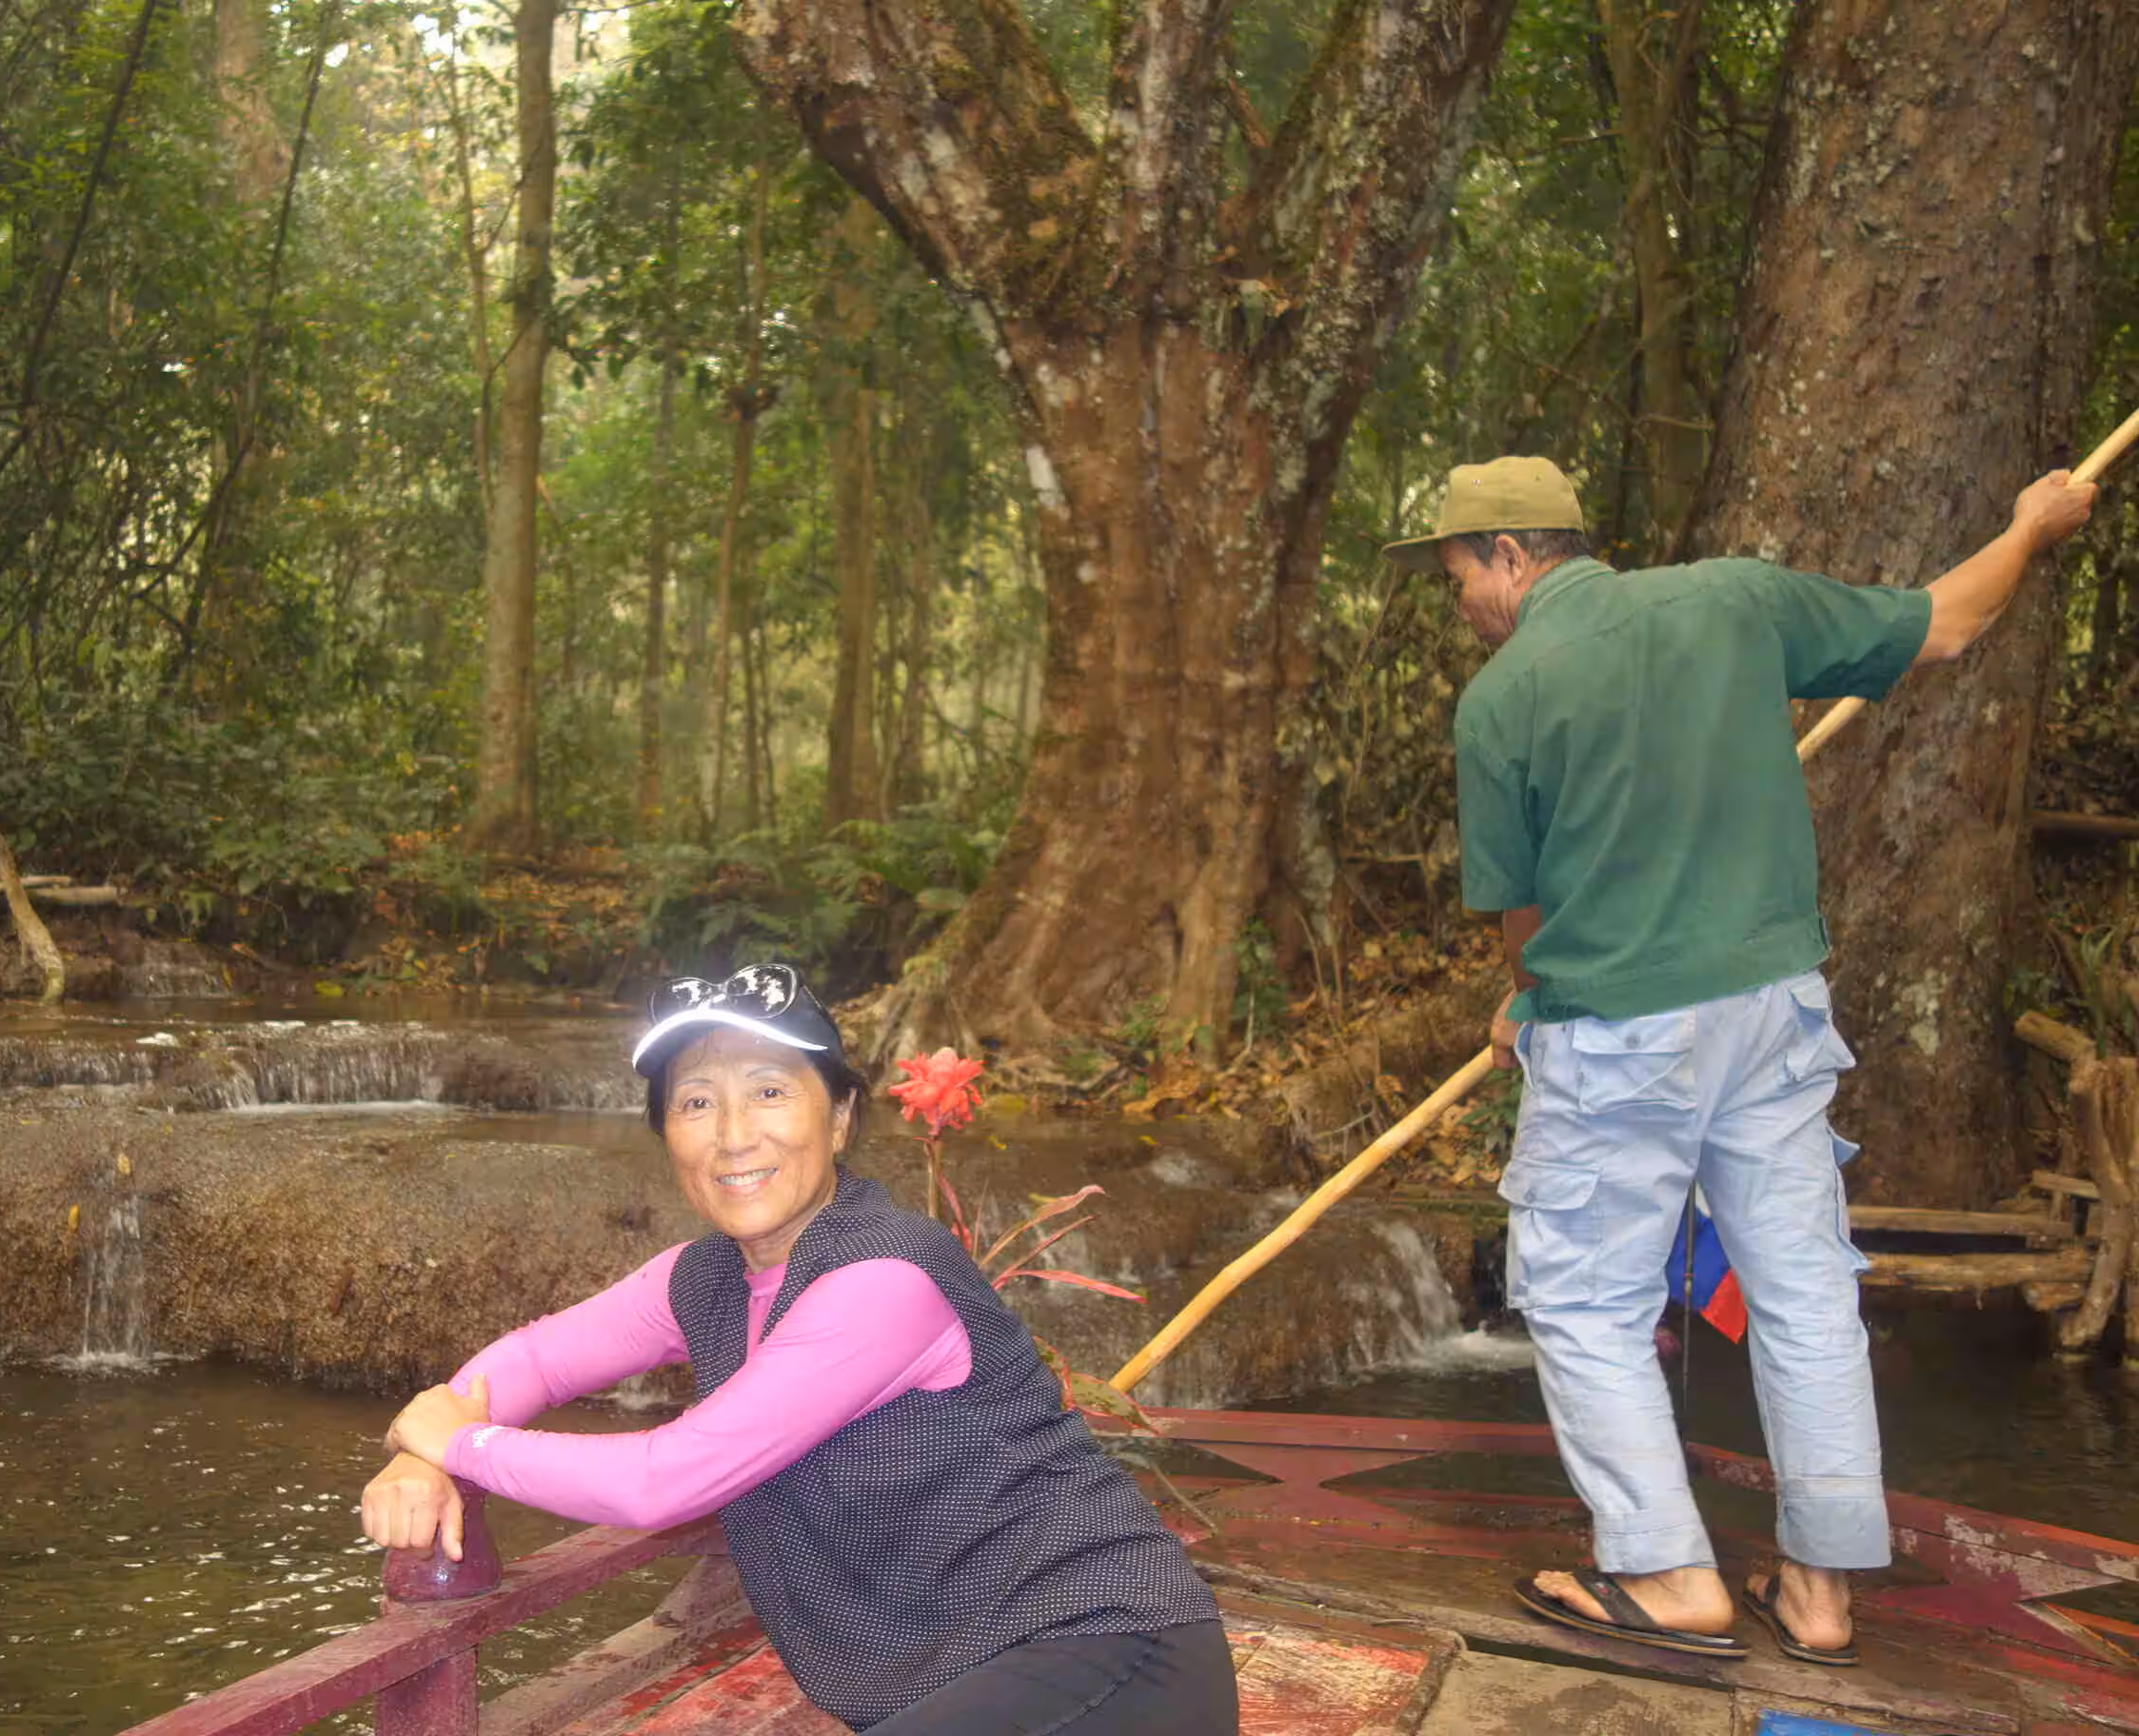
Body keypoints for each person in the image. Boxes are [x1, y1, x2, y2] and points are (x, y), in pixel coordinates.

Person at [1385, 455, 2096, 1666]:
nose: (1460, 606)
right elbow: (1947, 623)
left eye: (1458, 577)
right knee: (1804, 1295)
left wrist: (1532, 998)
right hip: (1773, 1014)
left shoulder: (1503, 698)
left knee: (1585, 1301)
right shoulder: (1734, 599)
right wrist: (2032, 527)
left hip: (1623, 1036)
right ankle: (1819, 1594)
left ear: (1510, 553)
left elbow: (1521, 915)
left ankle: (1668, 1576)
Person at [356, 962, 1237, 1734]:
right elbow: (536, 1361)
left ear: (842, 1117)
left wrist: (462, 1443)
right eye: (696, 1102)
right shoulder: (703, 1277)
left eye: (770, 1091)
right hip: (951, 1687)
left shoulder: (884, 1280)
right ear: (667, 1135)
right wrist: (422, 1457)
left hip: (1106, 1657)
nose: (734, 1133)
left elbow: (663, 1480)